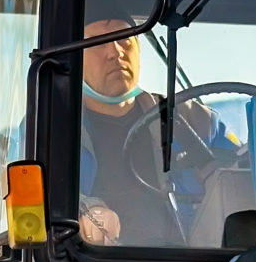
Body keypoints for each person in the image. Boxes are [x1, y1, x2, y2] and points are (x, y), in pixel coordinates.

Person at [75, 20, 224, 246]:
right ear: (76, 58)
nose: (115, 52)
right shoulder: (53, 130)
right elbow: (34, 196)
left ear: (138, 47)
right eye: (98, 43)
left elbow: (243, 174)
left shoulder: (194, 120)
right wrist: (85, 208)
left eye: (125, 39)